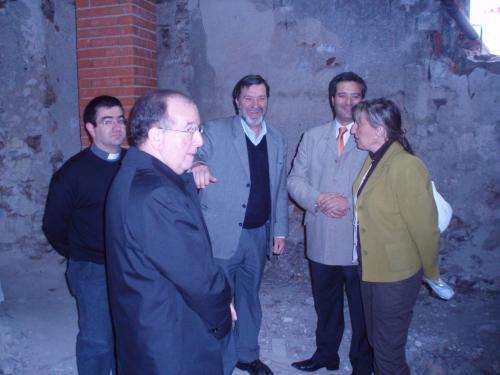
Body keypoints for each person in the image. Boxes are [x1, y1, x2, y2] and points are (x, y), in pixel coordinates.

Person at [105, 90, 233, 375]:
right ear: (157, 136)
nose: (199, 140)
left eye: (198, 129)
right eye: (190, 130)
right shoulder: (155, 193)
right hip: (172, 342)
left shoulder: (141, 175)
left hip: (152, 326)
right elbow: (199, 279)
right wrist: (222, 314)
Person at [192, 74, 288, 375]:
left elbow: (280, 187)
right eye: (248, 98)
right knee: (219, 302)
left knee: (249, 299)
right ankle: (218, 363)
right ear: (237, 101)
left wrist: (280, 229)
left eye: (261, 98)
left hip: (258, 235)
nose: (255, 105)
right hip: (221, 235)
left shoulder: (276, 138)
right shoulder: (215, 131)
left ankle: (248, 355)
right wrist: (196, 164)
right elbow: (190, 154)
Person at [287, 72, 373, 374]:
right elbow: (295, 180)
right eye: (342, 95)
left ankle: (363, 363)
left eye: (355, 96)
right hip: (322, 234)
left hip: (358, 239)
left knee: (363, 309)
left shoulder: (373, 136)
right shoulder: (313, 136)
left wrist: (348, 203)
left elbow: (384, 187)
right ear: (332, 98)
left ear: (363, 99)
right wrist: (320, 198)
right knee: (326, 304)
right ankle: (326, 354)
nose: (348, 102)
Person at [351, 98, 440, 374]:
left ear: (380, 130)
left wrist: (432, 272)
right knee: (378, 342)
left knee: (388, 352)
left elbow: (426, 228)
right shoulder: (374, 160)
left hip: (396, 275)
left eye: (359, 123)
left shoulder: (406, 166)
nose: (353, 129)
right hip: (372, 269)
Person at [42, 95, 126, 375]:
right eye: (107, 121)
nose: (117, 126)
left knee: (128, 333)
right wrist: (81, 251)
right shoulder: (73, 173)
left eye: (120, 119)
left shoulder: (135, 163)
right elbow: (54, 226)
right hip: (92, 268)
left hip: (131, 266)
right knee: (98, 340)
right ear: (90, 128)